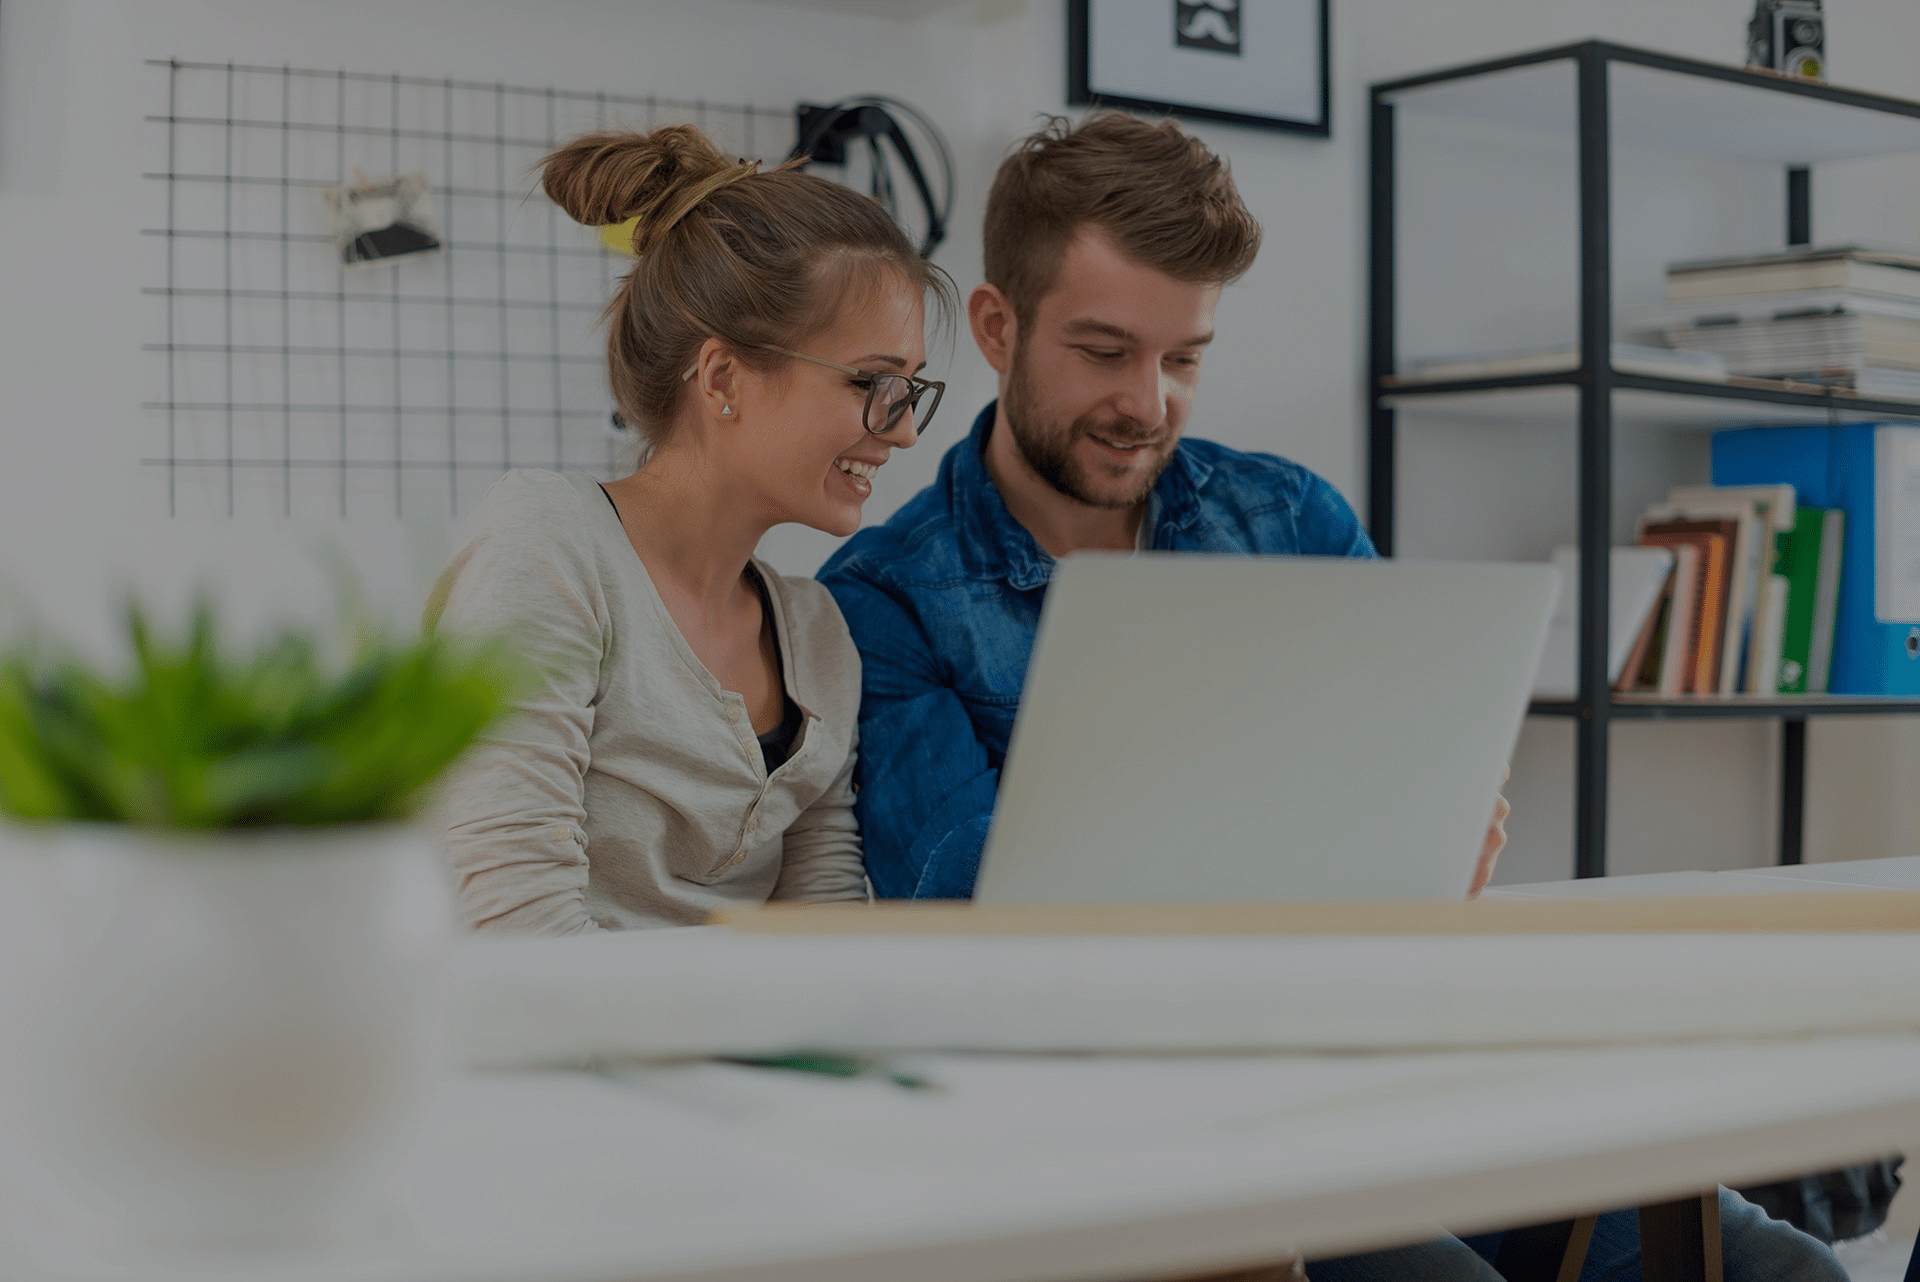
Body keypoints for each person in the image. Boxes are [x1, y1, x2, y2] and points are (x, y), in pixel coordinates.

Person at [817, 111, 1843, 1282]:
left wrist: (1442, 828)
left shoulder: (1288, 517)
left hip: (1385, 1049)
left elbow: (1419, 771)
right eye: (1104, 351)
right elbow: (970, 906)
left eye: (1185, 357)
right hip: (1139, 1125)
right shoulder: (882, 601)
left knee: (1781, 1269)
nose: (1148, 402)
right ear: (998, 327)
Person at [426, 123, 951, 933]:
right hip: (548, 1052)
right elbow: (515, 928)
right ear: (723, 377)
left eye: (910, 389)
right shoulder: (550, 547)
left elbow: (824, 937)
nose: (904, 429)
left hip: (722, 1050)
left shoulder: (814, 634)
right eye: (874, 382)